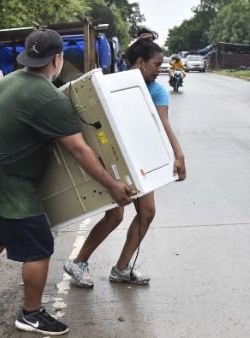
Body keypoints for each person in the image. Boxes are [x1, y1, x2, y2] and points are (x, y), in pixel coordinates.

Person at [0, 29, 134, 336]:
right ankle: (31, 314)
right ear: (57, 59)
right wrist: (112, 184)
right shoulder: (47, 96)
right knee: (39, 245)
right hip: (9, 184)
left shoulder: (6, 81)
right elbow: (78, 149)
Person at [63, 38, 187, 287]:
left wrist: (178, 154)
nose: (159, 69)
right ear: (140, 62)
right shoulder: (110, 85)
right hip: (113, 159)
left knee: (147, 212)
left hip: (141, 159)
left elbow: (163, 126)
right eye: (156, 64)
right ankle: (79, 262)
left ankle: (121, 267)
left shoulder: (157, 90)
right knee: (115, 215)